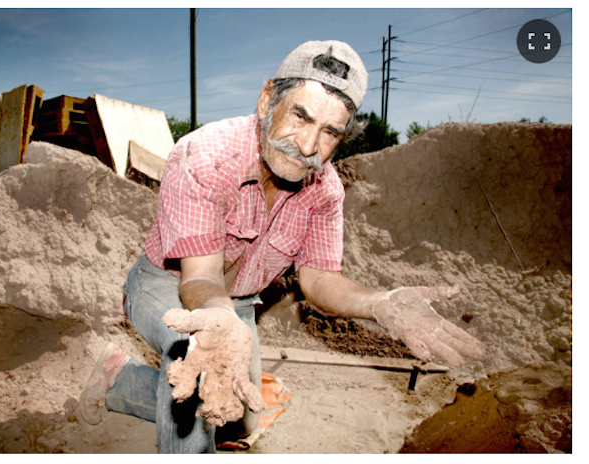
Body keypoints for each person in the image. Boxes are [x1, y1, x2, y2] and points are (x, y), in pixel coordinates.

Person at [78, 40, 484, 454]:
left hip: (239, 298)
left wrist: (380, 304)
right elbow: (199, 277)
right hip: (167, 281)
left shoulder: (325, 191)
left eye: (329, 132)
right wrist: (218, 325)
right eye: (300, 116)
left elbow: (319, 277)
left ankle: (119, 379)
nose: (308, 146)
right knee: (209, 364)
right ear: (266, 99)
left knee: (236, 417)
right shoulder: (203, 157)